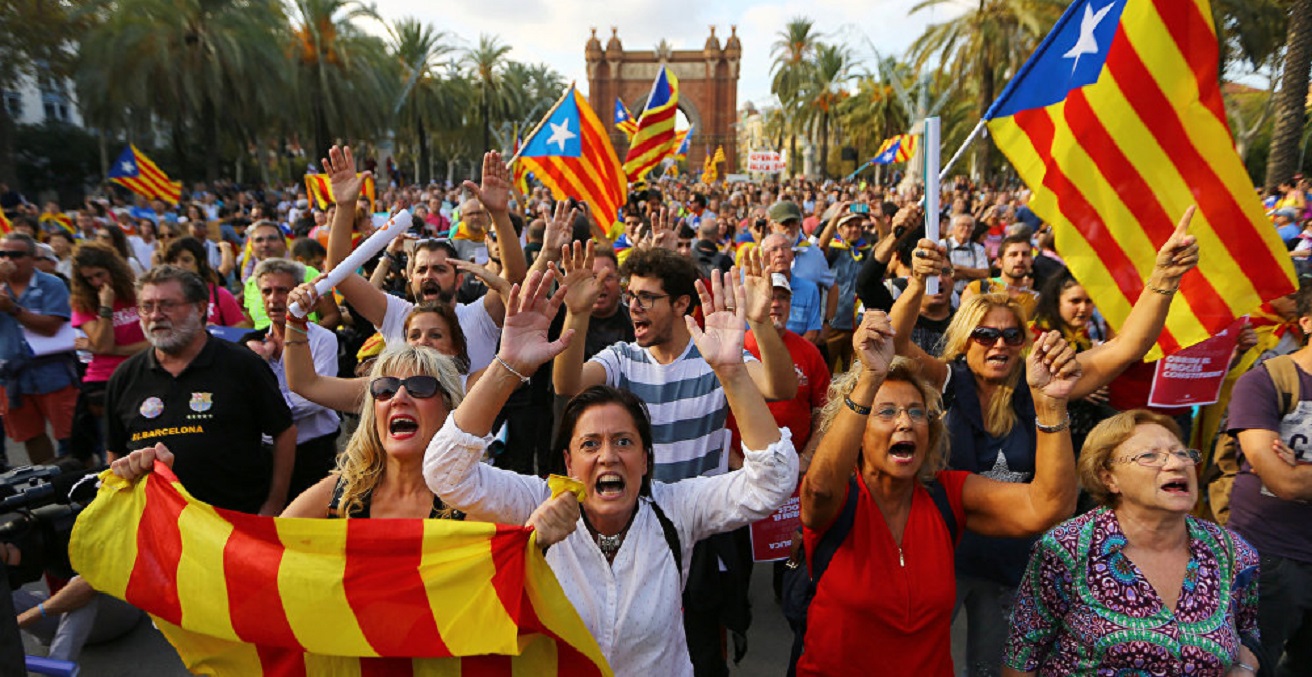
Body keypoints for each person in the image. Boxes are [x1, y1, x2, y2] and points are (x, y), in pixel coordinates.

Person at [424, 267, 797, 676]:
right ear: (568, 462)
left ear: (646, 459)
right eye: (589, 444)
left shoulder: (676, 509)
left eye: (624, 442)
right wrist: (507, 366)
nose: (608, 457)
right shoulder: (540, 502)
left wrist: (731, 374)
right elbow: (446, 473)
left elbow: (772, 481)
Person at [889, 207, 1200, 676]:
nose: (999, 345)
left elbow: (1127, 347)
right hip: (944, 553)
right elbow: (893, 342)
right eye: (986, 334)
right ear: (964, 339)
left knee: (992, 668)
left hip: (1017, 559)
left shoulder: (1042, 381)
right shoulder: (947, 380)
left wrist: (1163, 280)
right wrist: (916, 283)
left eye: (1011, 335)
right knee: (914, 663)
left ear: (1023, 342)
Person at [795, 312, 1080, 675]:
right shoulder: (841, 498)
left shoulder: (948, 494)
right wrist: (869, 379)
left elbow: (1050, 506)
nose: (906, 422)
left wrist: (1050, 404)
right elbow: (817, 491)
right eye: (886, 412)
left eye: (917, 412)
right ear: (858, 432)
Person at [1003, 410, 1262, 676]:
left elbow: (1248, 631)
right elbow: (1023, 656)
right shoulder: (1065, 549)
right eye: (1150, 456)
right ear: (1109, 478)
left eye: (1182, 453)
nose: (1176, 464)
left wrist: (1244, 668)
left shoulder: (1233, 552)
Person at [104, 266, 296, 515]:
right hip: (159, 524)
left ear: (200, 308)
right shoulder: (124, 378)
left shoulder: (243, 365)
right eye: (146, 306)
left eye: (167, 305)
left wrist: (274, 504)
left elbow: (284, 432)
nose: (155, 315)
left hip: (236, 521)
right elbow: (114, 453)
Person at [322, 145, 526, 375]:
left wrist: (498, 214)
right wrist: (344, 206)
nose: (429, 275)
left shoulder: (478, 316)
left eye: (440, 269)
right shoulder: (396, 315)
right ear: (411, 278)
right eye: (421, 270)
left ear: (459, 281)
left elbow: (515, 277)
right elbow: (340, 274)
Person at [1225, 281, 1312, 676]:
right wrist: (1288, 473)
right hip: (1270, 556)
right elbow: (1285, 482)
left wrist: (1299, 468)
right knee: (1249, 664)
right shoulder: (1263, 381)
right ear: (1307, 322)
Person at [242, 259, 341, 502]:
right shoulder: (250, 343)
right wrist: (260, 363)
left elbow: (316, 398)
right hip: (266, 453)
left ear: (297, 292)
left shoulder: (323, 339)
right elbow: (241, 398)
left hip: (313, 452)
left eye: (282, 291)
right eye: (267, 291)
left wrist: (267, 413)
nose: (274, 299)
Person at [284, 285, 470, 413]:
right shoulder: (383, 389)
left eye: (435, 335)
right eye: (414, 335)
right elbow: (305, 384)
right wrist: (295, 320)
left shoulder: (471, 389)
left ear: (454, 346)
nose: (423, 341)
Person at [0, 233, 78, 465]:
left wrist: (13, 309)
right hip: (12, 376)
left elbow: (52, 327)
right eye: (2, 254)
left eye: (16, 255)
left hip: (52, 371)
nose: (7, 259)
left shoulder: (51, 284)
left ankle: (83, 484)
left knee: (70, 433)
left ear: (33, 258)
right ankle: (48, 483)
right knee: (31, 436)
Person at [68, 243, 148, 463]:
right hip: (102, 381)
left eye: (99, 274)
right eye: (89, 279)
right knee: (112, 450)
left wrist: (113, 350)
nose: (96, 282)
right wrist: (106, 307)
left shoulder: (137, 293)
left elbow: (152, 342)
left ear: (113, 268)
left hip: (142, 371)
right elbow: (103, 345)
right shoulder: (84, 303)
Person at [240, 221, 340, 330]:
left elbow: (332, 316)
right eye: (259, 240)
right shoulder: (250, 282)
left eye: (272, 238)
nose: (265, 244)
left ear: (284, 244)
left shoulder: (309, 273)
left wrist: (306, 335)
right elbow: (251, 323)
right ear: (252, 248)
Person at [164, 237, 250, 327]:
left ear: (200, 263)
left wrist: (216, 332)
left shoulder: (220, 295)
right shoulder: (161, 297)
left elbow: (241, 329)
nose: (179, 266)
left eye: (186, 260)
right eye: (173, 261)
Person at [961, 233, 1037, 317]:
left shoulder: (1036, 300)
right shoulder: (977, 288)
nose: (1020, 259)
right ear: (999, 262)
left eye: (1025, 254)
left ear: (1031, 261)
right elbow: (963, 326)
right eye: (1013, 254)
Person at [942, 214, 990, 295]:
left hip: (971, 294)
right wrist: (972, 274)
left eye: (970, 226)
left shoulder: (978, 249)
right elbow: (942, 272)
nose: (966, 228)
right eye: (962, 225)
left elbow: (984, 273)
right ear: (954, 228)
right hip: (947, 294)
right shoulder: (942, 245)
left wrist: (958, 268)